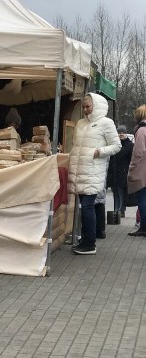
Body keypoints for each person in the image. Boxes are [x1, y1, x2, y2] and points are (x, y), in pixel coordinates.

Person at [68, 93, 120, 253]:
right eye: (83, 107)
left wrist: (99, 151)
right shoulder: (81, 123)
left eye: (88, 106)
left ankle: (90, 243)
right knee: (85, 206)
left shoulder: (106, 123)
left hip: (93, 171)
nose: (85, 109)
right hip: (80, 171)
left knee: (88, 206)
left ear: (96, 106)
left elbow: (116, 145)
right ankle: (85, 239)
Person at [127, 105, 146, 236]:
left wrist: (132, 167)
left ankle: (144, 226)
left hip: (142, 171)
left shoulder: (141, 131)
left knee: (142, 198)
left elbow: (138, 152)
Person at [108, 125, 133, 218]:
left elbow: (131, 159)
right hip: (114, 172)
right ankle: (116, 209)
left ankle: (121, 210)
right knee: (115, 192)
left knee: (121, 192)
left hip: (123, 172)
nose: (121, 134)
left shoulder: (130, 145)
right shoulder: (115, 145)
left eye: (123, 132)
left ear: (126, 133)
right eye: (119, 133)